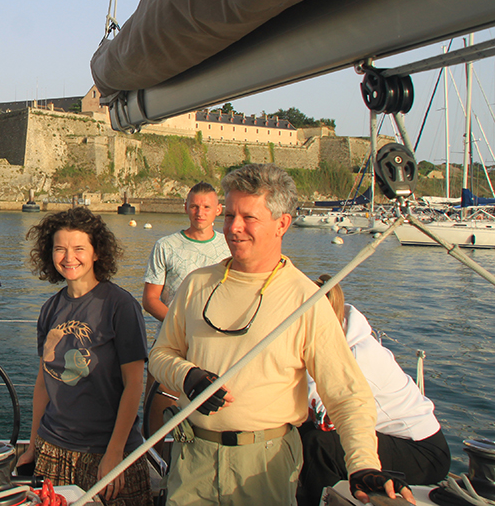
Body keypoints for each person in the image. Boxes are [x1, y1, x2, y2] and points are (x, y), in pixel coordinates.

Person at [149, 163, 414, 506]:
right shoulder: (195, 284)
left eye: (249, 217)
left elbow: (346, 394)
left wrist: (363, 464)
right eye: (229, 216)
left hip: (265, 466)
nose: (234, 227)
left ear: (282, 224)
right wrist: (187, 375)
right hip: (191, 459)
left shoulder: (306, 301)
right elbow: (161, 355)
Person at [16, 207, 151, 506]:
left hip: (106, 451)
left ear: (96, 253)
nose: (69, 258)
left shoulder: (120, 306)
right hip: (53, 448)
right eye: (60, 249)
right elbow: (43, 383)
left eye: (79, 249)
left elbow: (133, 385)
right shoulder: (50, 309)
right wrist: (34, 444)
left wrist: (115, 452)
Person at [297, 276, 451, 505]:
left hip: (422, 452)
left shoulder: (357, 356)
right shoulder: (335, 337)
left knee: (318, 444)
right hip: (388, 436)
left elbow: (321, 415)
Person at [142, 182, 230, 429]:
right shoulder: (165, 246)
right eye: (194, 206)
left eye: (206, 207)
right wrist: (182, 326)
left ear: (218, 210)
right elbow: (150, 300)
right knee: (156, 423)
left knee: (210, 421)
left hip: (216, 347)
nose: (200, 212)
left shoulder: (229, 247)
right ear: (185, 208)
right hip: (171, 344)